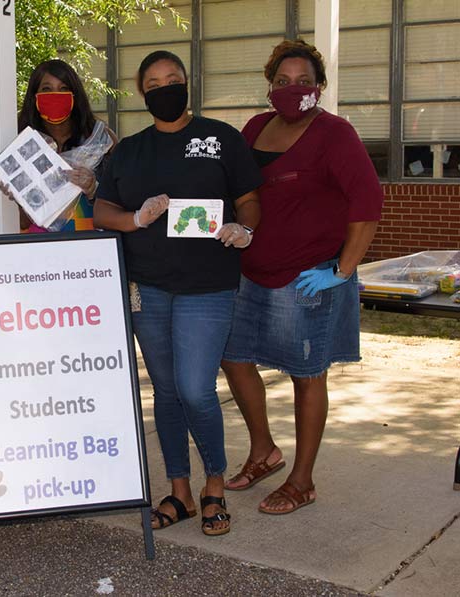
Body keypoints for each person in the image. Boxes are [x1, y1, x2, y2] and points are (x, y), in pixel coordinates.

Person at [94, 50, 262, 536]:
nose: (165, 87)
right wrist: (134, 219)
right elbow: (104, 207)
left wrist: (243, 229)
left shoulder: (222, 139)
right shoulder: (130, 150)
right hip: (148, 287)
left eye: (173, 79)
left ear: (188, 83)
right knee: (165, 391)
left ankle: (215, 485)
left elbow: (250, 200)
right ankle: (180, 491)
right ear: (141, 90)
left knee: (194, 388)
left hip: (208, 286)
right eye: (154, 81)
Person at [220, 40, 382, 515]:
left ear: (320, 86)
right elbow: (235, 189)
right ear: (270, 86)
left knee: (307, 376)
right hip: (249, 273)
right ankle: (264, 452)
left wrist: (343, 270)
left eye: (304, 82)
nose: (294, 90)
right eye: (283, 82)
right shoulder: (253, 128)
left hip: (310, 277)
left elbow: (367, 203)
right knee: (233, 357)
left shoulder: (336, 134)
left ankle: (302, 480)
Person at [16, 59, 116, 232]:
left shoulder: (102, 141)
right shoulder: (23, 147)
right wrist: (19, 193)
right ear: (34, 97)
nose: (55, 95)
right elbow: (23, 222)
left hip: (90, 246)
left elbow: (120, 202)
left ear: (75, 96)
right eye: (47, 89)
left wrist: (93, 189)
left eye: (63, 89)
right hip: (39, 247)